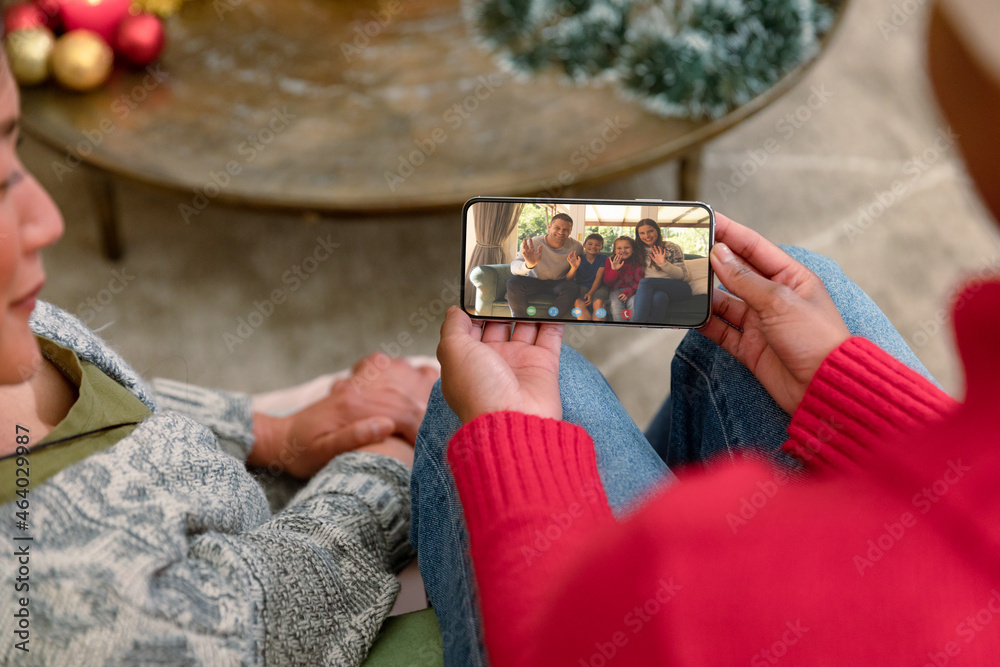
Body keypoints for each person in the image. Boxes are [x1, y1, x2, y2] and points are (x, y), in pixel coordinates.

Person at [408, 0, 1000, 663]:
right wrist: (856, 392)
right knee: (793, 296)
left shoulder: (699, 583)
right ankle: (654, 461)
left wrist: (513, 446)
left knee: (522, 392)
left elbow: (570, 641)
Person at [0, 51, 438, 664]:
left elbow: (126, 417)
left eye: (15, 147)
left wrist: (265, 429)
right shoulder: (43, 600)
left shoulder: (12, 327)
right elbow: (267, 622)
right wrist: (385, 465)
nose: (47, 219)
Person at [506, 212, 583, 318]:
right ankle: (522, 322)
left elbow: (580, 269)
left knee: (573, 288)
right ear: (549, 227)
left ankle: (548, 322)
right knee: (513, 282)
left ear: (570, 231)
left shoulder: (576, 247)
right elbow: (514, 268)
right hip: (534, 281)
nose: (561, 232)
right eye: (557, 228)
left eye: (565, 229)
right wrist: (529, 264)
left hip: (558, 283)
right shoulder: (534, 243)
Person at [632, 218, 692, 323]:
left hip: (679, 288)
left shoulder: (671, 247)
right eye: (642, 233)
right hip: (654, 290)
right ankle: (652, 331)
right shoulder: (638, 250)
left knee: (646, 282)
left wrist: (663, 264)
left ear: (657, 231)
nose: (647, 236)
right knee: (659, 297)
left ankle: (636, 325)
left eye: (650, 231)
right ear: (638, 235)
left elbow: (683, 275)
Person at [566, 232, 609, 321]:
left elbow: (598, 277)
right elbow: (569, 279)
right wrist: (574, 268)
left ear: (601, 247)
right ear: (584, 245)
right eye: (590, 244)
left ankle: (598, 331)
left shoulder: (603, 258)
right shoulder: (579, 258)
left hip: (599, 287)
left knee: (598, 302)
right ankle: (587, 328)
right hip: (582, 287)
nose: (593, 247)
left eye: (597, 245)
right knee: (578, 302)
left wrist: (591, 293)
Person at [601, 236, 644, 321]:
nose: (623, 250)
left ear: (633, 249)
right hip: (615, 290)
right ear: (614, 250)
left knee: (633, 302)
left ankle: (634, 330)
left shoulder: (637, 261)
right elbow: (608, 283)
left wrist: (628, 292)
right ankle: (621, 329)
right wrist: (614, 270)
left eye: (627, 248)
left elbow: (640, 282)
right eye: (619, 248)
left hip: (632, 290)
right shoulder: (610, 260)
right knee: (615, 305)